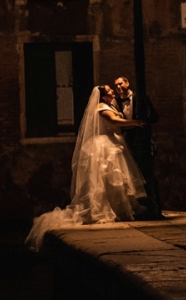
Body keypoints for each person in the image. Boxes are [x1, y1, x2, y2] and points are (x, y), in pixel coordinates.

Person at [27, 85, 149, 251]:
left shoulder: (111, 105)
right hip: (103, 146)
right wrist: (133, 122)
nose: (113, 91)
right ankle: (102, 210)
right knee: (104, 178)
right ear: (103, 96)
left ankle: (119, 208)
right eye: (109, 91)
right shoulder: (101, 107)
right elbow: (113, 121)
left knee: (114, 180)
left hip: (112, 142)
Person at [113, 75, 163, 219]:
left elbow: (155, 118)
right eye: (116, 85)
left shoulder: (141, 98)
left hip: (142, 141)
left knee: (147, 174)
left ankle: (154, 209)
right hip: (126, 142)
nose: (118, 87)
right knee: (131, 176)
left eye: (120, 84)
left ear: (127, 83)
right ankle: (139, 208)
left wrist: (148, 115)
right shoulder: (115, 101)